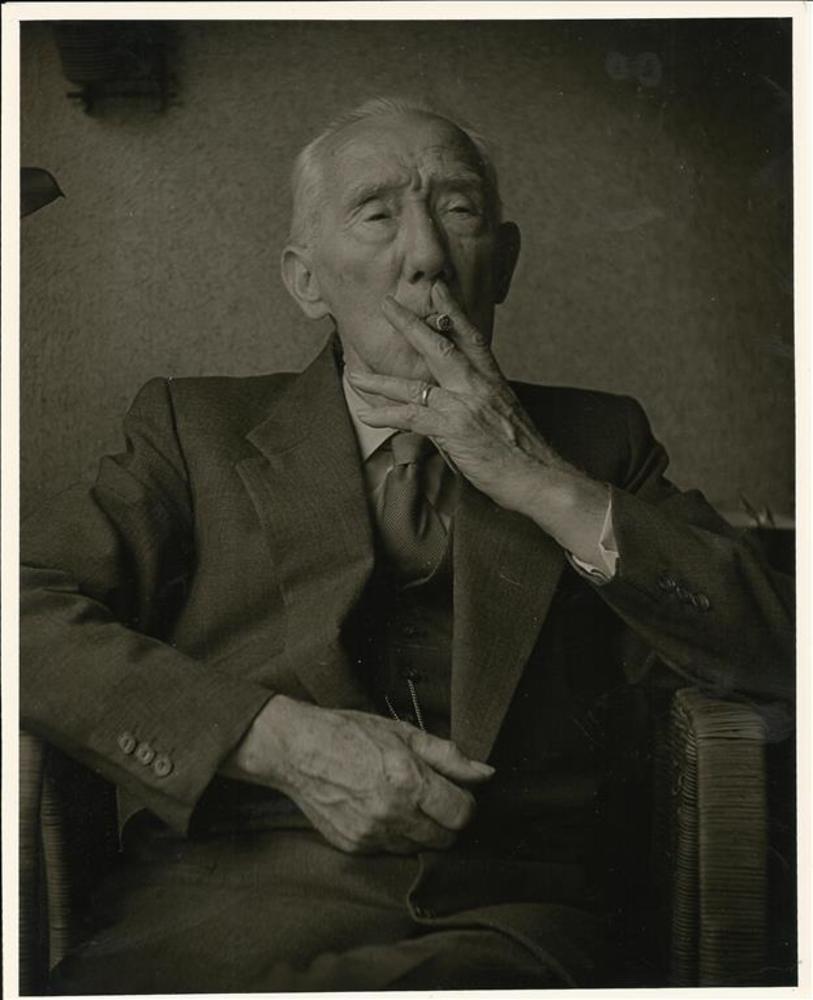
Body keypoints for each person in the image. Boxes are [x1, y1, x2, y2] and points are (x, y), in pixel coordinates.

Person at [21, 97, 793, 992]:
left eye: (458, 210)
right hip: (217, 918)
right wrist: (272, 739)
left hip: (512, 928)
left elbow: (779, 648)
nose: (426, 256)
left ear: (502, 263)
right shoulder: (193, 430)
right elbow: (20, 611)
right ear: (306, 281)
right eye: (377, 214)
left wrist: (539, 479)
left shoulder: (600, 441)